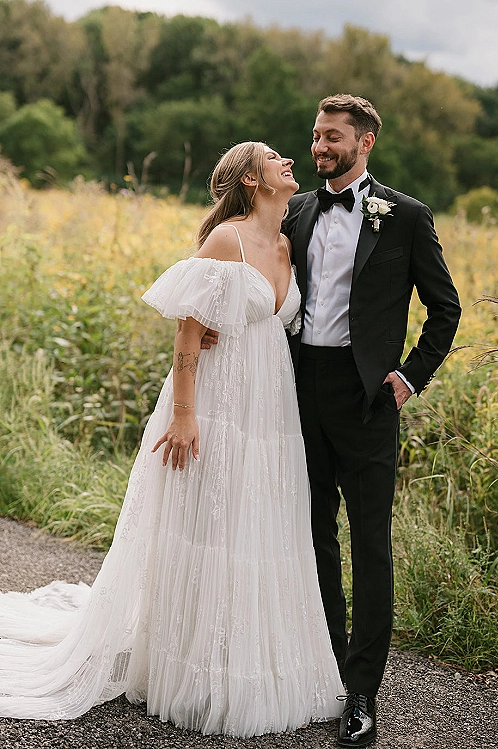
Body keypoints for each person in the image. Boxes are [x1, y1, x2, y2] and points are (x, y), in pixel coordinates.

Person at [0, 142, 344, 737]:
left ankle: (249, 660)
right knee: (206, 526)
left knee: (253, 525)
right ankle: (192, 669)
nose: (290, 160)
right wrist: (184, 417)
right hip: (213, 403)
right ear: (251, 179)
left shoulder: (290, 243)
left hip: (269, 411)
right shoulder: (226, 241)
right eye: (274, 156)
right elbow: (189, 338)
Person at [282, 94, 462, 747]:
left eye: (332, 136)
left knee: (371, 543)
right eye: (316, 135)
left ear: (365, 143)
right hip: (299, 389)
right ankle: (328, 665)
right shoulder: (297, 208)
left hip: (368, 399)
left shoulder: (406, 216)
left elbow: (446, 309)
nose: (319, 146)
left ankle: (362, 691)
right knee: (312, 534)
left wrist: (410, 377)